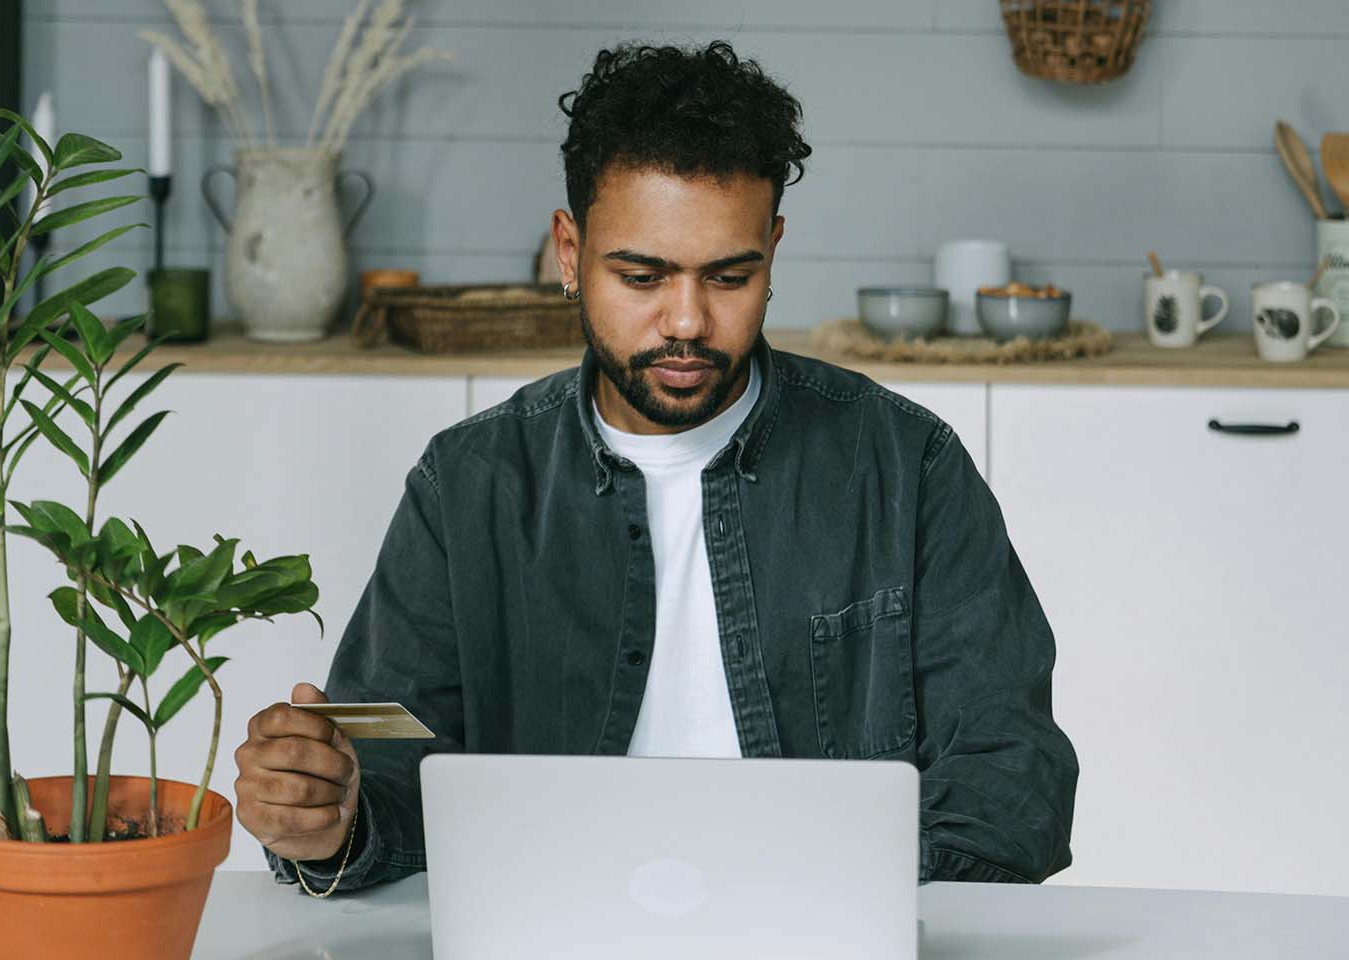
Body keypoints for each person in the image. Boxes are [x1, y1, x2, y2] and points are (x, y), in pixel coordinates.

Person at [232, 39, 1079, 894]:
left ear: (773, 251)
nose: (686, 321)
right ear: (570, 253)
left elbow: (1017, 775)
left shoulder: (907, 467)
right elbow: (383, 743)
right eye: (642, 276)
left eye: (729, 276)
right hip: (547, 935)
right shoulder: (470, 482)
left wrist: (828, 894)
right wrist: (327, 813)